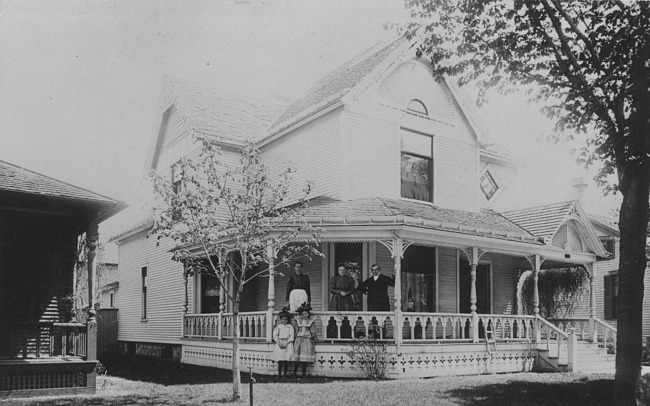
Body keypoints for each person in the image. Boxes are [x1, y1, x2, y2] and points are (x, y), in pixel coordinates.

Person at [293, 302, 317, 379]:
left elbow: (313, 331)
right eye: (302, 314)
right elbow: (296, 330)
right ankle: (294, 373)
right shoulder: (298, 321)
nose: (304, 316)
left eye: (305, 314)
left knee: (305, 357)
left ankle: (304, 373)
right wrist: (294, 338)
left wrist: (313, 337)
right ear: (300, 315)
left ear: (308, 314)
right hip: (299, 339)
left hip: (307, 339)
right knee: (297, 356)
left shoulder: (310, 322)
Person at [272, 308, 294, 379]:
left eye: (286, 319)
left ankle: (285, 374)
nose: (284, 321)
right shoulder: (278, 327)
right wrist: (278, 343)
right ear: (281, 320)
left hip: (287, 344)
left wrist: (287, 343)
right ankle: (279, 374)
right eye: (283, 319)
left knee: (286, 360)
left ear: (288, 320)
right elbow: (275, 335)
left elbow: (291, 336)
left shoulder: (290, 327)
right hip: (280, 343)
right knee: (280, 359)